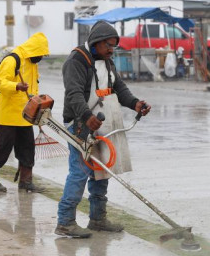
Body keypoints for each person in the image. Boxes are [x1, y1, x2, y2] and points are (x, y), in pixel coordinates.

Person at [56, 21, 151, 238]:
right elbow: (74, 94)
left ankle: (97, 219)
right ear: (96, 42)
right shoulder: (76, 61)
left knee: (101, 172)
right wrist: (86, 117)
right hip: (80, 123)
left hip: (100, 121)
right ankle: (65, 222)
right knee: (80, 172)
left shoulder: (107, 61)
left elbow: (118, 87)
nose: (111, 50)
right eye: (108, 45)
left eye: (114, 46)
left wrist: (135, 103)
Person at [0, 32, 50, 193]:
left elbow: (33, 89)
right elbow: (0, 83)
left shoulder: (32, 64)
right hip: (8, 115)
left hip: (25, 117)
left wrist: (38, 108)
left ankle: (26, 182)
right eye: (40, 54)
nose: (41, 58)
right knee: (3, 149)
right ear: (33, 50)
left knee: (27, 149)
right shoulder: (12, 60)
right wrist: (16, 86)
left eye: (43, 55)